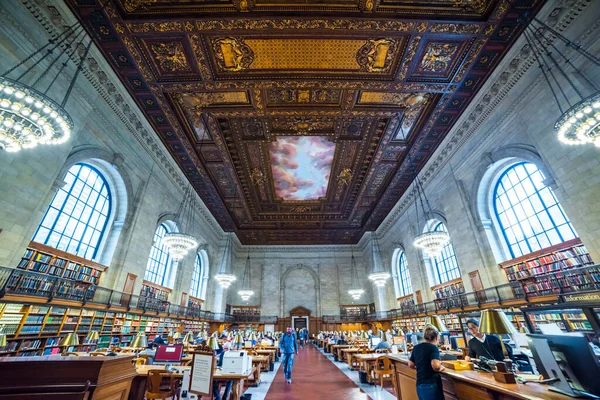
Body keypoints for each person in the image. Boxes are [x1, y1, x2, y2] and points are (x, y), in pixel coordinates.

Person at [408, 325, 445, 400]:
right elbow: (436, 366)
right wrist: (441, 367)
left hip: (419, 384)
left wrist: (422, 366)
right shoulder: (433, 348)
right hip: (431, 384)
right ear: (436, 337)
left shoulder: (416, 347)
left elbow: (410, 364)